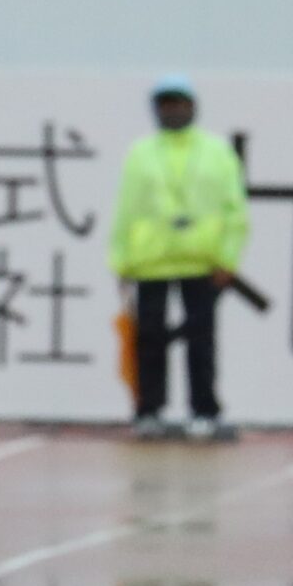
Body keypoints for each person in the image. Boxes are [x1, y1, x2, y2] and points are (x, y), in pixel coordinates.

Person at [110, 73, 249, 441]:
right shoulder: (141, 152)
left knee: (201, 340)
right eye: (166, 104)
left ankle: (204, 410)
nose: (172, 111)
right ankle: (149, 410)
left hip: (201, 258)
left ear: (193, 107)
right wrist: (120, 260)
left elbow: (235, 210)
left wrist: (228, 258)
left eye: (179, 103)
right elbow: (126, 208)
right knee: (149, 339)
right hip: (149, 261)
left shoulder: (216, 151)